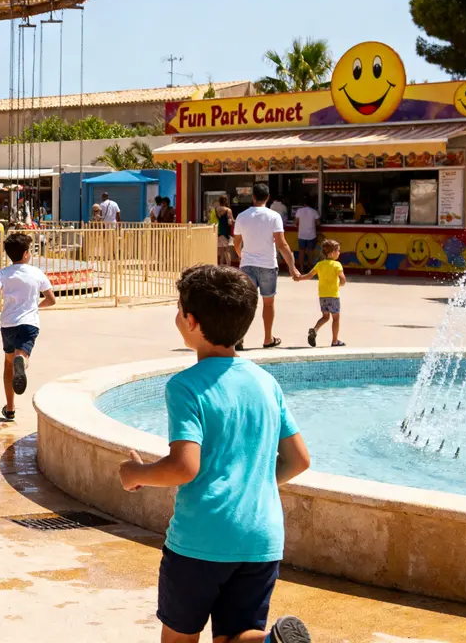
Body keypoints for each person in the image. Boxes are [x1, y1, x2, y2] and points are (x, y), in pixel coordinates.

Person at [117, 264, 312, 643]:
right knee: (237, 635)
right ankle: (271, 642)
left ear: (191, 321)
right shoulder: (265, 383)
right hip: (261, 538)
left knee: (180, 636)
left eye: (178, 308)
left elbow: (184, 467)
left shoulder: (186, 386)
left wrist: (134, 473)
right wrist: (250, 482)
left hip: (202, 539)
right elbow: (299, 460)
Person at [0, 232, 56, 421]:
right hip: (29, 323)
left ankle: (11, 408)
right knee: (22, 357)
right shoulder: (36, 273)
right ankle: (21, 362)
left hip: (8, 325)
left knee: (8, 364)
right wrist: (36, 306)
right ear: (26, 254)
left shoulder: (3, 273)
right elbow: (51, 299)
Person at [233, 183, 300, 349]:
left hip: (247, 265)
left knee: (245, 303)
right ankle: (268, 338)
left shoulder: (241, 216)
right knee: (268, 303)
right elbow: (282, 244)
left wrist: (242, 256)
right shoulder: (274, 216)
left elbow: (236, 242)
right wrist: (292, 265)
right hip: (268, 265)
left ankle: (239, 338)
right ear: (268, 198)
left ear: (253, 197)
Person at [295, 239, 346, 348]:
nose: (339, 253)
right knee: (335, 318)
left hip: (322, 296)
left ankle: (315, 329)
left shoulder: (319, 264)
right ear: (332, 253)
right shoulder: (337, 265)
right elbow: (343, 279)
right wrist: (341, 283)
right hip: (333, 296)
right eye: (338, 251)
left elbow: (309, 275)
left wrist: (299, 278)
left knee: (325, 317)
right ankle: (335, 341)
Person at [293, 196, 320, 273]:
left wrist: (299, 226)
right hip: (311, 235)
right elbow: (318, 223)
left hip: (301, 234)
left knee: (301, 251)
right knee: (310, 252)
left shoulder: (299, 211)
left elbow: (295, 223)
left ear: (304, 203)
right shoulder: (314, 211)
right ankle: (310, 267)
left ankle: (301, 267)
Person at [214, 195, 234, 266]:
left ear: (219, 201)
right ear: (226, 201)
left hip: (218, 232)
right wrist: (233, 220)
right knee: (227, 250)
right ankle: (228, 266)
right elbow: (229, 222)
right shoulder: (228, 210)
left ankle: (220, 265)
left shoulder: (216, 209)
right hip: (225, 232)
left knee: (221, 251)